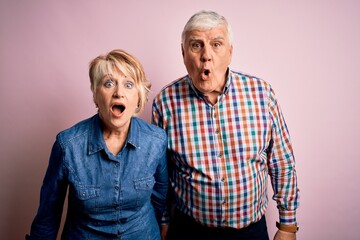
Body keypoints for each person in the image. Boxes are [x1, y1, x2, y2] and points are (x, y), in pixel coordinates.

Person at [152, 10, 299, 240]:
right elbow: (161, 172)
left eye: (216, 44)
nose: (206, 56)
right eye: (196, 45)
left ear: (230, 52)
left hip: (250, 232)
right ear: (183, 53)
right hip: (189, 230)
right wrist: (163, 220)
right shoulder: (165, 102)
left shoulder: (262, 94)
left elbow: (281, 161)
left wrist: (288, 224)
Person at [26, 49, 168, 240]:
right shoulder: (68, 145)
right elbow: (48, 215)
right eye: (109, 83)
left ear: (139, 98)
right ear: (95, 95)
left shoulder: (156, 140)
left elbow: (160, 197)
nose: (118, 93)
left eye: (128, 85)